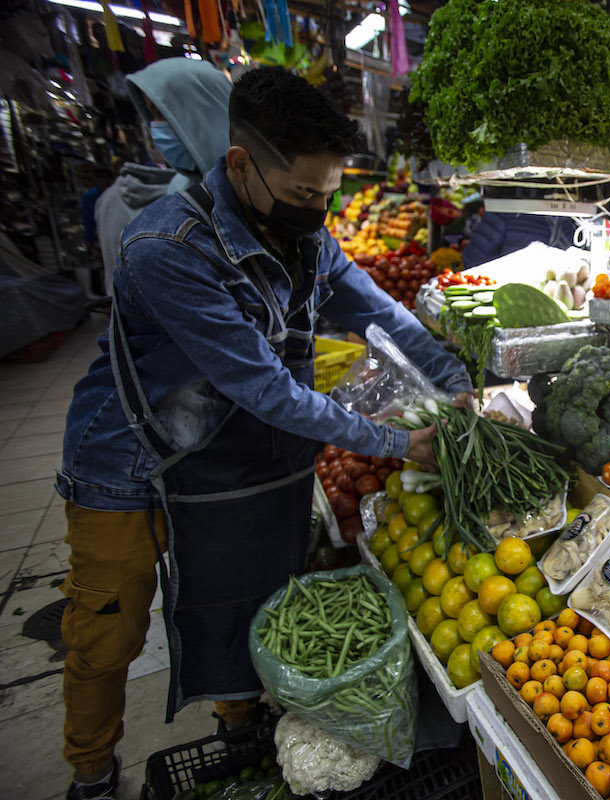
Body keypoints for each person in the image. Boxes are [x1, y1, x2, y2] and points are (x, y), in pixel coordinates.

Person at [55, 66, 473, 800]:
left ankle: (237, 729)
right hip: (129, 457)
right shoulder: (170, 248)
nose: (318, 209)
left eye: (328, 194)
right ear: (241, 164)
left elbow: (382, 315)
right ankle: (90, 769)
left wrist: (456, 383)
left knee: (240, 594)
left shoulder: (304, 239)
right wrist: (399, 442)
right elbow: (265, 390)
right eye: (304, 194)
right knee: (107, 629)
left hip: (227, 453)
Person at [94, 57, 232, 293]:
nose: (154, 126)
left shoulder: (257, 192)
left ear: (202, 113)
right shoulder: (177, 190)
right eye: (152, 114)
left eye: (161, 113)